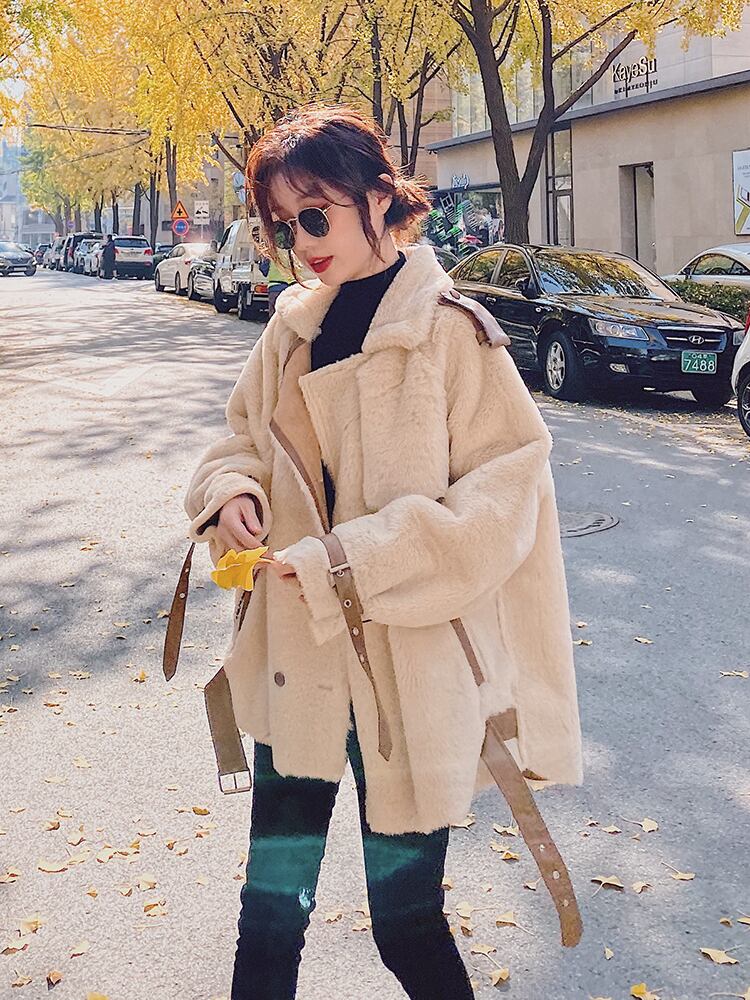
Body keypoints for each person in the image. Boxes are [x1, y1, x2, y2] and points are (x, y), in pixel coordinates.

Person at [183, 104, 583, 1000]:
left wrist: (350, 558)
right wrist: (234, 492)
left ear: (377, 197)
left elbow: (502, 498)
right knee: (268, 918)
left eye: (314, 215)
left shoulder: (450, 331)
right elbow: (237, 440)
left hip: (408, 675)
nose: (302, 243)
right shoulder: (291, 330)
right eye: (283, 225)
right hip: (298, 662)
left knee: (407, 924)